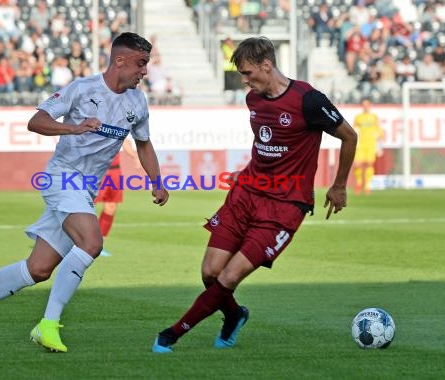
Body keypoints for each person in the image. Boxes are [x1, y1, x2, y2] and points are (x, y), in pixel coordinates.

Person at [0, 32, 169, 352]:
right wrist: (72, 127)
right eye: (140, 63)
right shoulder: (82, 89)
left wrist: (156, 180)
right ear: (119, 60)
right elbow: (37, 121)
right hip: (62, 177)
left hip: (86, 188)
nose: (144, 71)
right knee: (92, 242)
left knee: (38, 269)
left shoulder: (137, 101)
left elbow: (143, 143)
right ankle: (47, 324)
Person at [151, 36, 357, 353]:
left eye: (247, 73)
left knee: (230, 275)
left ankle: (172, 334)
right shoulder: (254, 100)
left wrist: (339, 185)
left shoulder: (308, 100)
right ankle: (234, 316)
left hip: (284, 206)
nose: (244, 81)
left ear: (267, 65)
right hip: (246, 193)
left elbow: (349, 136)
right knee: (210, 272)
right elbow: (267, 146)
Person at [95, 138, 141, 257]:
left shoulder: (119, 122)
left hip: (115, 171)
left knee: (111, 207)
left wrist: (134, 157)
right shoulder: (94, 121)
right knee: (87, 206)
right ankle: (76, 243)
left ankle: (98, 245)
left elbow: (124, 141)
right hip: (96, 170)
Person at [352, 98, 383, 195]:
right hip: (361, 144)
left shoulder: (374, 117)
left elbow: (379, 131)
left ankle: (367, 186)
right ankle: (359, 182)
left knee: (369, 164)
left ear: (369, 106)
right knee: (357, 164)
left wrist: (380, 146)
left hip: (371, 144)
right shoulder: (358, 117)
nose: (365, 106)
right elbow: (353, 129)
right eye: (363, 105)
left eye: (367, 105)